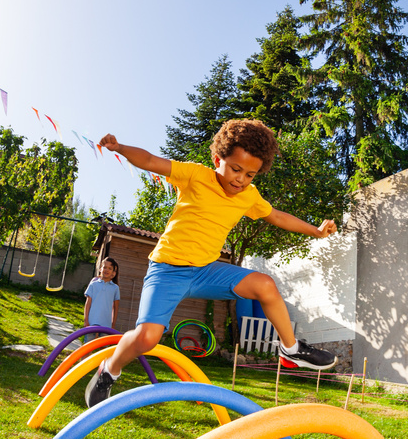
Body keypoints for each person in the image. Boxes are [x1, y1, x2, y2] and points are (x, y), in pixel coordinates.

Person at [87, 119, 337, 407]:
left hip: (206, 270)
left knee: (265, 285)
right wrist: (120, 148)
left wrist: (316, 231)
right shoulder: (195, 175)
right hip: (167, 270)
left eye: (250, 175)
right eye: (235, 169)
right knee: (147, 337)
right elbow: (151, 160)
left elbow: (278, 216)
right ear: (218, 159)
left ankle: (290, 349)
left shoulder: (248, 196)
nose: (241, 179)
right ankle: (110, 369)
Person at [83, 256, 121, 340]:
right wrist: (86, 320)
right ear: (100, 269)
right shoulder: (93, 284)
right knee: (88, 347)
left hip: (106, 324)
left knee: (104, 349)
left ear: (113, 273)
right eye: (105, 267)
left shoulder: (115, 288)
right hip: (92, 322)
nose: (107, 270)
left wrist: (113, 325)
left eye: (110, 268)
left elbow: (116, 308)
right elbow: (88, 303)